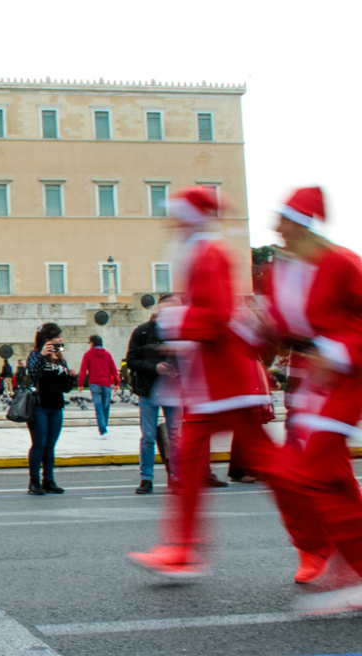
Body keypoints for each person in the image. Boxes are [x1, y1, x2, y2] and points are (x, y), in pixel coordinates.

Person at [128, 186, 316, 580]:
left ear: (192, 215)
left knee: (273, 469)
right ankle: (182, 549)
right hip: (209, 384)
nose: (172, 219)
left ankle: (315, 540)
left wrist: (174, 321)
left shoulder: (207, 252)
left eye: (178, 212)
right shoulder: (198, 249)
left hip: (225, 383)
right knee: (192, 465)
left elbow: (214, 316)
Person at [251, 187, 362, 612]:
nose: (275, 227)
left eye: (284, 219)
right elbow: (277, 324)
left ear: (304, 224)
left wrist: (337, 353)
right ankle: (325, 552)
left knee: (309, 471)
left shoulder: (342, 263)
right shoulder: (280, 270)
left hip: (344, 380)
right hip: (307, 380)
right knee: (322, 477)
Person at [126, 294, 182, 494]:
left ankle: (175, 476)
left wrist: (178, 369)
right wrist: (155, 367)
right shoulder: (142, 331)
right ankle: (146, 478)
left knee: (175, 436)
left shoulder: (179, 332)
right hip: (148, 390)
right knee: (148, 436)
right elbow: (131, 360)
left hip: (173, 390)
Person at [26, 323, 75, 496]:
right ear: (48, 340)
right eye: (58, 337)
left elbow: (66, 388)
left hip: (56, 406)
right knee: (39, 444)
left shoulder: (60, 357)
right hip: (39, 406)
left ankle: (49, 480)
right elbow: (32, 376)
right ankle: (34, 482)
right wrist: (41, 356)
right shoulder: (34, 355)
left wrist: (71, 377)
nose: (61, 340)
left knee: (50, 446)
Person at [78, 335, 120, 436]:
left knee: (98, 407)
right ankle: (104, 426)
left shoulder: (88, 354)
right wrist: (117, 382)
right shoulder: (108, 354)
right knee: (106, 406)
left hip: (95, 384)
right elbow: (113, 369)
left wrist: (80, 383)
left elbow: (83, 370)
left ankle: (102, 429)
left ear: (92, 343)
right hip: (106, 384)